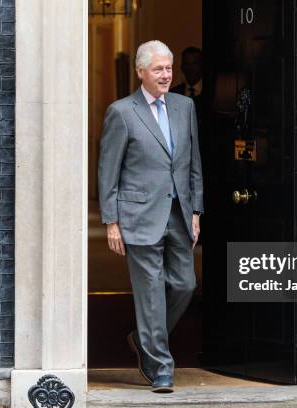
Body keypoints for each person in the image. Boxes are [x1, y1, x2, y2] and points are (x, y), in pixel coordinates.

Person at [98, 40, 204, 393]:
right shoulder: (122, 112)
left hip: (177, 214)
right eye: (158, 69)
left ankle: (141, 340)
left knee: (185, 284)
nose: (165, 75)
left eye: (168, 68)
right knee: (150, 293)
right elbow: (108, 171)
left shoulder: (185, 106)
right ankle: (160, 366)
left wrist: (195, 210)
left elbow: (193, 164)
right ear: (141, 71)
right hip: (138, 215)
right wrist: (111, 221)